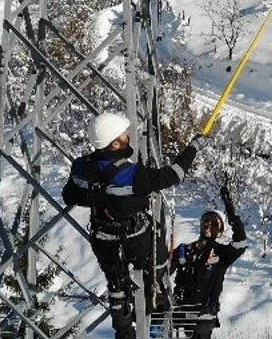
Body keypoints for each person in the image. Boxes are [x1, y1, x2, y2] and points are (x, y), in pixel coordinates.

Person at [63, 112, 206, 339]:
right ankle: (154, 299)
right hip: (134, 237)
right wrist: (193, 148)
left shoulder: (81, 166)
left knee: (116, 282)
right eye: (124, 134)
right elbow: (174, 175)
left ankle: (124, 331)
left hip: (102, 236)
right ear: (115, 142)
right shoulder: (131, 174)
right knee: (156, 256)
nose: (128, 135)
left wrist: (98, 198)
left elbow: (69, 195)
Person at [170, 183, 247, 339]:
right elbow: (163, 271)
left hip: (204, 317)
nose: (208, 224)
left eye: (213, 222)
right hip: (181, 313)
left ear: (219, 231)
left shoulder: (222, 253)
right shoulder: (185, 249)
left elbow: (240, 243)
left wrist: (230, 210)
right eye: (206, 220)